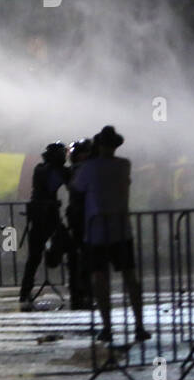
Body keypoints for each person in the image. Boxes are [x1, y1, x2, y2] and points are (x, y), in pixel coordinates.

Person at [69, 126, 149, 343]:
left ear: (99, 145)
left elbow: (76, 188)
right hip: (122, 228)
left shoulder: (88, 167)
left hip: (96, 231)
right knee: (130, 278)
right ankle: (139, 325)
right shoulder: (125, 165)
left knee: (100, 279)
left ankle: (107, 327)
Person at [18, 142, 70, 310]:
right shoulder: (50, 170)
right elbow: (67, 182)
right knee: (67, 246)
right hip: (46, 217)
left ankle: (25, 292)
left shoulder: (41, 169)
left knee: (34, 257)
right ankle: (76, 283)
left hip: (40, 217)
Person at [64, 138, 95, 309]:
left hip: (81, 216)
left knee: (81, 254)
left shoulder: (79, 171)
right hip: (82, 216)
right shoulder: (83, 171)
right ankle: (82, 288)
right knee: (82, 253)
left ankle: (81, 288)